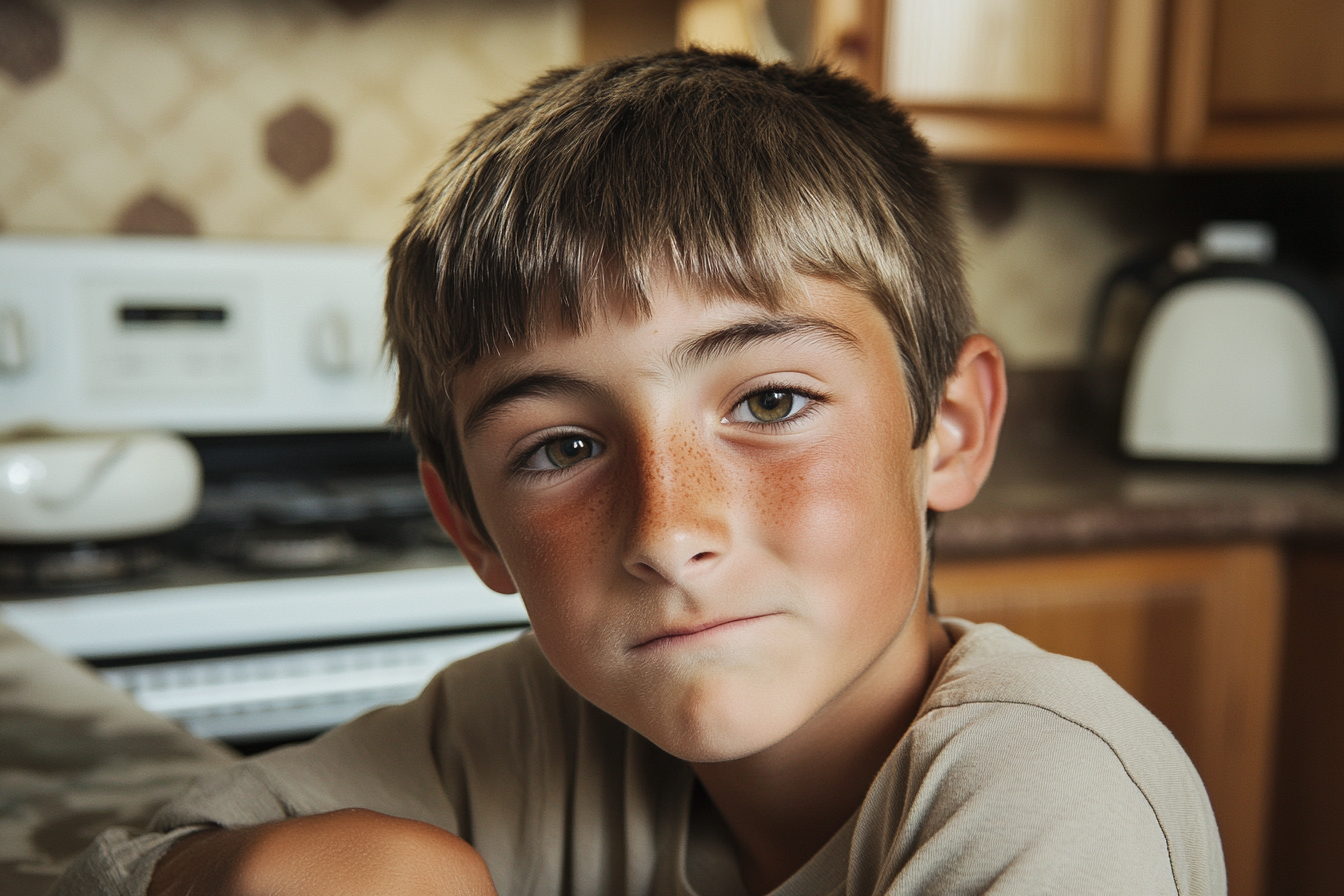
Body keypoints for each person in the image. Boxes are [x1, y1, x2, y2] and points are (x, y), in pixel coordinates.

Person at [56, 48, 1224, 896]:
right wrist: (252, 871)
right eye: (562, 446)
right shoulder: (521, 726)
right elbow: (117, 864)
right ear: (469, 523)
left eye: (771, 401)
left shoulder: (1052, 795)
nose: (669, 530)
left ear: (952, 427)